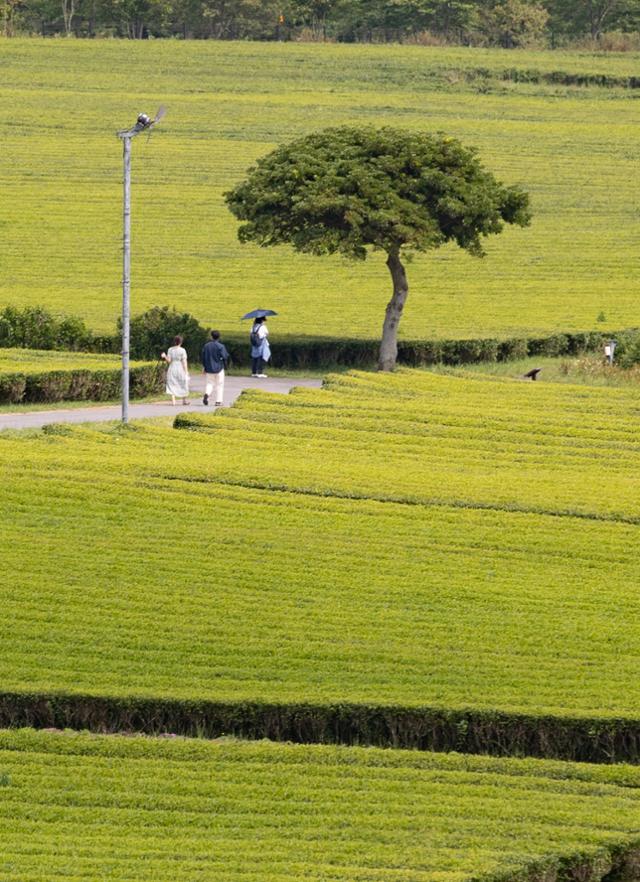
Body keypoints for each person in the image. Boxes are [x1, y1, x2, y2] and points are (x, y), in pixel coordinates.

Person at [201, 330, 229, 407]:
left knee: (209, 383)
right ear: (219, 337)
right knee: (219, 385)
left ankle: (207, 394)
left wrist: (204, 366)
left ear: (211, 336)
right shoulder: (221, 346)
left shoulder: (206, 346)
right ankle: (218, 401)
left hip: (209, 368)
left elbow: (203, 357)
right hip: (219, 368)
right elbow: (225, 356)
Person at [161, 335, 190, 406]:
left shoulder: (170, 349)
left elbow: (169, 360)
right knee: (183, 383)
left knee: (172, 383)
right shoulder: (182, 350)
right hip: (180, 367)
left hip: (172, 367)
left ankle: (173, 401)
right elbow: (184, 362)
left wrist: (164, 356)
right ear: (181, 342)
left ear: (174, 342)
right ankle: (184, 400)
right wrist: (186, 372)